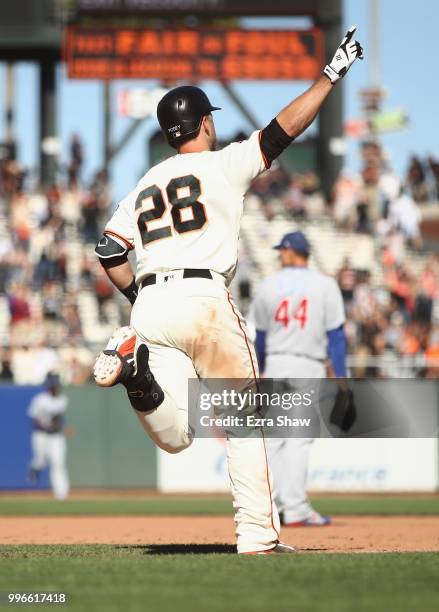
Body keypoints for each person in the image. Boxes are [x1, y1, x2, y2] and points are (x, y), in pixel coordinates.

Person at [92, 28, 363, 554]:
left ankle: (135, 373)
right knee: (244, 422)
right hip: (205, 300)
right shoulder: (221, 163)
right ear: (207, 123)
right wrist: (330, 76)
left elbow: (108, 251)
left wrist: (139, 302)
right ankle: (257, 536)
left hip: (150, 305)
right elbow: (283, 129)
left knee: (175, 435)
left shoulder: (144, 183)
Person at [249, 231, 347, 527]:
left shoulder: (268, 284)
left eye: (283, 251)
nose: (280, 255)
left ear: (292, 253)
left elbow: (261, 337)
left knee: (277, 440)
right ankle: (296, 509)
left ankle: (276, 505)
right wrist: (341, 377)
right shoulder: (326, 285)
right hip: (308, 365)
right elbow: (337, 336)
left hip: (277, 363)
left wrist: (262, 369)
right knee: (298, 440)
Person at [27, 372, 70, 500]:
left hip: (56, 437)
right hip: (41, 436)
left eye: (56, 384)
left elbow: (59, 419)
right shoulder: (40, 399)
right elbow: (34, 419)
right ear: (49, 385)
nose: (55, 387)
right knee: (40, 461)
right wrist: (46, 426)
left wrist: (64, 425)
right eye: (53, 385)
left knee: (58, 464)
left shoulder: (62, 400)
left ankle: (61, 496)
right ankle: (34, 468)